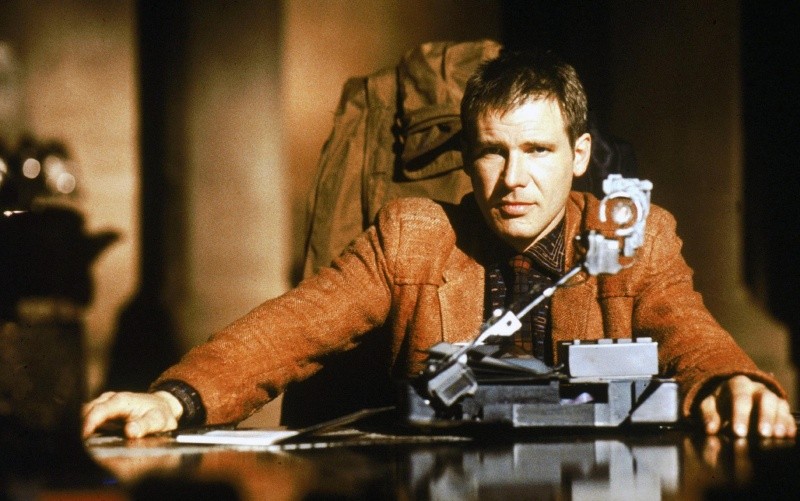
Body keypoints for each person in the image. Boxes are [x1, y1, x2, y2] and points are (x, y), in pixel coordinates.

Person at [83, 49, 796, 440]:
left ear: (579, 155)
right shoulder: (415, 235)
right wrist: (177, 399)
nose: (513, 179)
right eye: (492, 152)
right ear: (468, 157)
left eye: (537, 150)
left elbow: (690, 334)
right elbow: (293, 327)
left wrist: (734, 384)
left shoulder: (631, 235)